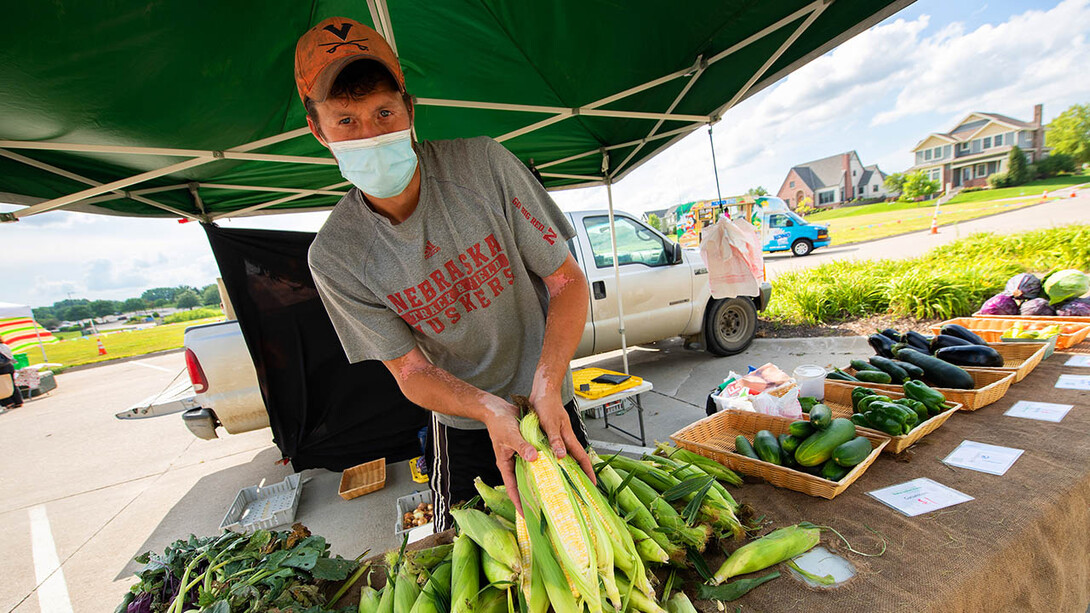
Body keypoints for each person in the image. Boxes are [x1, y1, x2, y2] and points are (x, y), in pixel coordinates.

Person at [296, 17, 594, 529]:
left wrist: (546, 383)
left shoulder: (484, 165)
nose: (369, 135)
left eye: (384, 112)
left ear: (410, 110)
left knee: (591, 537)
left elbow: (566, 282)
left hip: (550, 405)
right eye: (346, 121)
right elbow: (410, 372)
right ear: (317, 129)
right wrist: (487, 409)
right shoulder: (336, 256)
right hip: (464, 429)